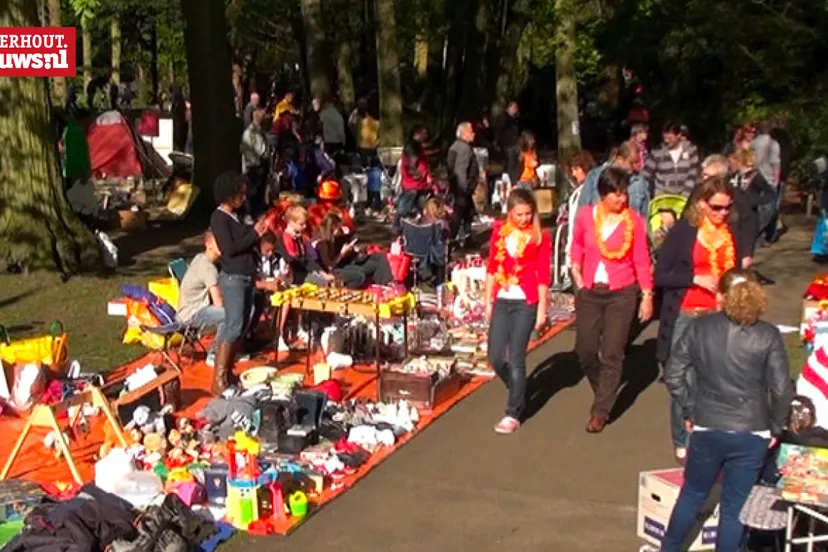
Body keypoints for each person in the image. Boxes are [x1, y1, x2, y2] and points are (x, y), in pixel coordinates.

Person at [661, 268, 793, 552]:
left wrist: (689, 408)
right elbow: (782, 389)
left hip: (707, 423)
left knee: (692, 494)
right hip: (752, 429)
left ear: (720, 296)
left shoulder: (700, 328)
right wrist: (777, 426)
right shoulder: (768, 335)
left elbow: (673, 373)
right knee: (734, 507)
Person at [655, 176, 740, 462]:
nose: (722, 214)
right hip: (685, 314)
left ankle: (706, 433)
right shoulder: (684, 232)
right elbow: (662, 275)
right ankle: (682, 437)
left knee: (710, 379)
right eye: (716, 208)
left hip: (718, 315)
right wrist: (694, 278)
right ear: (702, 204)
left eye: (727, 208)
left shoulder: (731, 232)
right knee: (683, 379)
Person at [571, 167, 654, 433]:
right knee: (585, 350)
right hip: (590, 290)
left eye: (624, 194)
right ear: (603, 194)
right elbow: (578, 245)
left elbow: (642, 260)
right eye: (616, 195)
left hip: (622, 292)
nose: (622, 199)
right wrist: (575, 269)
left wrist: (647, 295)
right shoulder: (586, 216)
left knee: (612, 352)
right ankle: (605, 389)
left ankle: (600, 411)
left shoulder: (634, 222)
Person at [485, 189, 550, 434]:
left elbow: (543, 275)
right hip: (502, 298)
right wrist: (488, 300)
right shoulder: (499, 233)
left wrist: (542, 309)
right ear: (510, 212)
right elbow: (492, 266)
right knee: (495, 357)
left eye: (528, 214)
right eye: (519, 214)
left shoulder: (539, 237)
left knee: (516, 358)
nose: (523, 219)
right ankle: (518, 392)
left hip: (526, 301)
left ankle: (513, 412)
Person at [209, 172, 269, 394]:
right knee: (233, 325)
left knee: (241, 324)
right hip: (233, 278)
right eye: (240, 194)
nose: (244, 198)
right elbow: (229, 248)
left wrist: (257, 231)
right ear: (229, 194)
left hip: (245, 276)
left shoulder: (236, 216)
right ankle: (219, 378)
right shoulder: (219, 218)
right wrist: (253, 234)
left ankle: (228, 371)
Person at [176, 230, 224, 367]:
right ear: (208, 244)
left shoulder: (199, 257)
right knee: (230, 315)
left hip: (184, 310)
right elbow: (218, 303)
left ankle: (229, 348)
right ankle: (215, 353)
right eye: (219, 242)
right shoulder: (209, 269)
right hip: (191, 314)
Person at [314, 212, 394, 289]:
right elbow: (330, 267)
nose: (340, 230)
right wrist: (342, 254)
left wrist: (352, 249)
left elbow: (349, 240)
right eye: (339, 228)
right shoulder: (322, 243)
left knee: (379, 257)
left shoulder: (336, 238)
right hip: (334, 270)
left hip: (347, 262)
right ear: (333, 228)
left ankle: (386, 285)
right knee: (359, 274)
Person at [577, 141, 649, 218]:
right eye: (631, 163)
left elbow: (644, 216)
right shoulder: (595, 176)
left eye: (636, 163)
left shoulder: (639, 182)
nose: (633, 168)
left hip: (629, 227)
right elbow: (582, 209)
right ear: (620, 159)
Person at [641, 121, 700, 198]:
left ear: (679, 135)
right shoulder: (657, 152)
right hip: (662, 196)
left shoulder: (691, 151)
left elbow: (692, 175)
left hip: (685, 196)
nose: (666, 141)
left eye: (670, 138)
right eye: (665, 138)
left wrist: (685, 195)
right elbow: (645, 174)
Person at [447, 122, 481, 240]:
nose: (474, 134)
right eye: (471, 131)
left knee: (468, 213)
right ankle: (450, 238)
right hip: (462, 188)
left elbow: (451, 168)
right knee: (458, 214)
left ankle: (467, 237)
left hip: (457, 186)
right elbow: (460, 169)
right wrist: (464, 187)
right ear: (464, 134)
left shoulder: (454, 146)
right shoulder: (465, 148)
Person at [240, 106, 269, 219]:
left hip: (262, 163)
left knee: (261, 189)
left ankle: (259, 211)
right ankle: (249, 214)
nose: (264, 118)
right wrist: (256, 163)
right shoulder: (249, 133)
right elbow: (247, 150)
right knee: (251, 190)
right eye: (262, 116)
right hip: (253, 166)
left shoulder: (261, 130)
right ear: (257, 117)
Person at [496, 101, 521, 185]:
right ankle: (509, 182)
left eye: (516, 108)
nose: (515, 110)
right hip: (507, 144)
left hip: (515, 143)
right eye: (514, 108)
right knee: (509, 164)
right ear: (509, 108)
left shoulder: (517, 119)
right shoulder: (503, 118)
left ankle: (515, 180)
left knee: (516, 164)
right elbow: (499, 131)